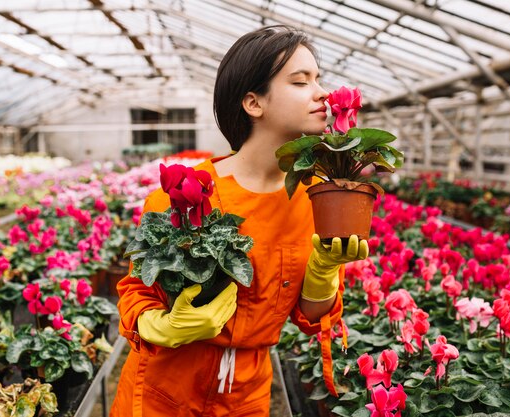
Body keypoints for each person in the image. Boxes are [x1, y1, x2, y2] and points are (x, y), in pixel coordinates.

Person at [110, 25, 369, 417]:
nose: (322, 93)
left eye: (319, 79)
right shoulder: (184, 193)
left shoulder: (318, 199)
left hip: (247, 393)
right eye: (301, 82)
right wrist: (162, 326)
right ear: (253, 103)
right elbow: (135, 291)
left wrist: (324, 274)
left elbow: (311, 318)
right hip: (166, 388)